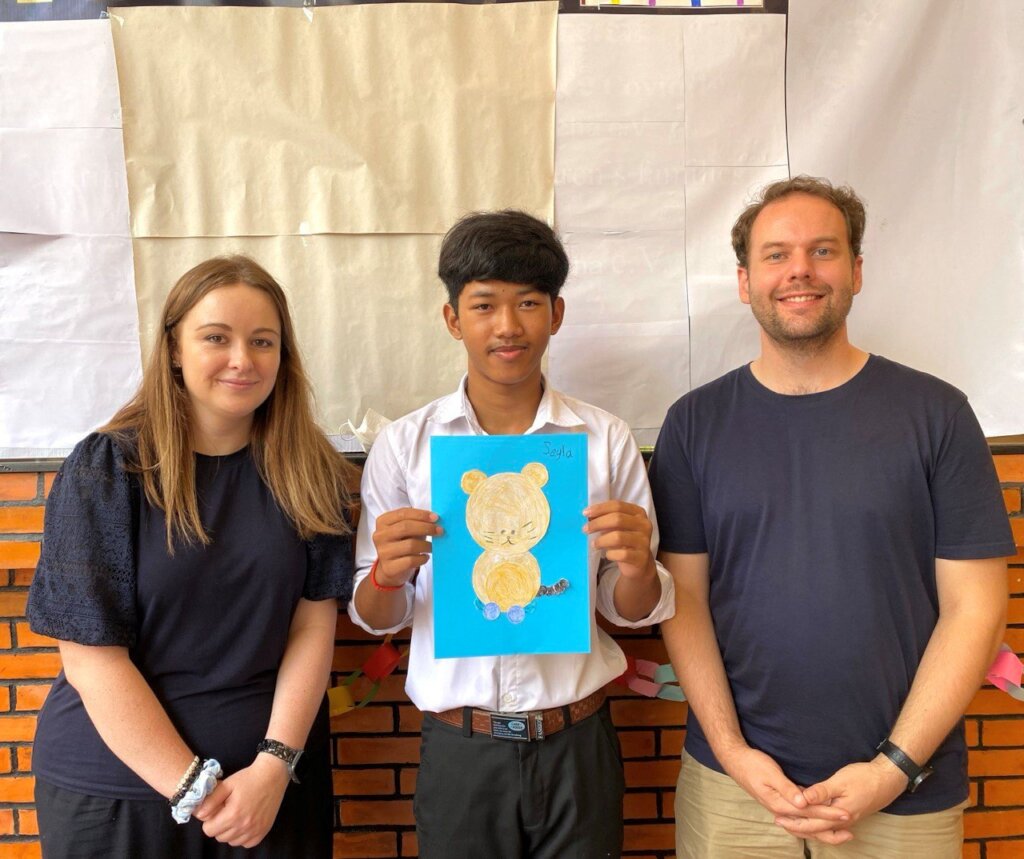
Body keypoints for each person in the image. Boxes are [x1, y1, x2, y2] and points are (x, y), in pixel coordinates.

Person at [648, 175, 1015, 858]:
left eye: (823, 250)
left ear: (856, 271)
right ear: (744, 280)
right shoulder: (694, 424)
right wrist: (731, 751)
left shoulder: (937, 415)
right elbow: (683, 599)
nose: (800, 270)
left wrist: (892, 768)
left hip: (906, 793)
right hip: (734, 793)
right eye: (776, 254)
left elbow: (977, 607)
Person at [348, 210, 675, 858]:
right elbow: (378, 615)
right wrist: (386, 575)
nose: (507, 325)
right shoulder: (407, 446)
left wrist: (638, 569)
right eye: (484, 305)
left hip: (578, 743)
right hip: (460, 749)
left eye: (527, 302)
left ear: (556, 314)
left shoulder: (604, 440)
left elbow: (627, 608)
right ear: (453, 319)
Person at [27, 255, 357, 858]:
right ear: (175, 349)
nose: (242, 359)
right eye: (216, 338)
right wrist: (198, 791)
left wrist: (274, 766)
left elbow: (313, 624)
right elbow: (90, 656)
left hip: (270, 794)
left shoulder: (312, 474)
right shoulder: (108, 468)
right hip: (118, 798)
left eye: (263, 341)